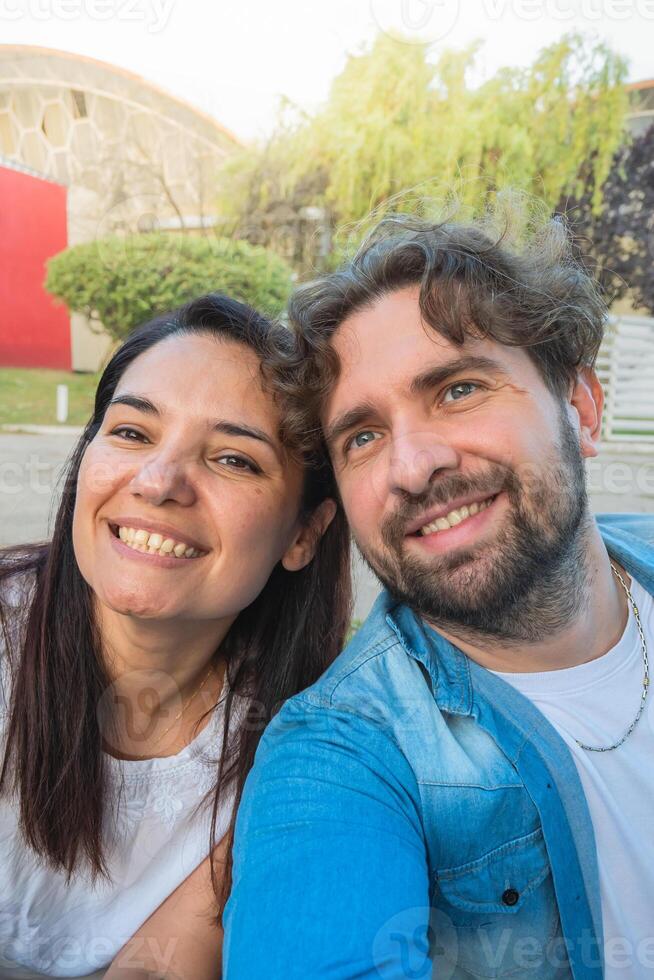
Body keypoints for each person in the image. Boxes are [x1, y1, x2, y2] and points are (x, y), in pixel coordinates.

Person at [223, 214, 654, 979]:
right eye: (361, 436)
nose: (413, 467)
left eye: (458, 389)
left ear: (581, 409)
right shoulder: (340, 755)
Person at [0, 293, 351, 979]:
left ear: (304, 533)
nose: (159, 483)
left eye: (234, 460)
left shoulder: (299, 742)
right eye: (131, 433)